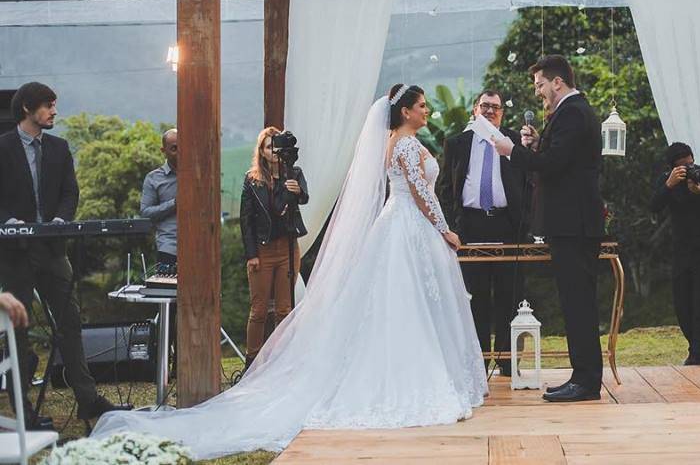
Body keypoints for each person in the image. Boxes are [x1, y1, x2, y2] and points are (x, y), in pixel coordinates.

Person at [92, 85, 487, 459]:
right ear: (405, 111)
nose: (426, 111)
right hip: (408, 226)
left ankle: (409, 369)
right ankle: (409, 380)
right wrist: (445, 230)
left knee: (398, 304)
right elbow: (422, 194)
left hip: (398, 225)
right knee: (404, 302)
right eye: (421, 106)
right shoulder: (404, 145)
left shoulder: (392, 144)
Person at [0, 82, 129, 427]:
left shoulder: (59, 148)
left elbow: (70, 191)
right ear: (27, 108)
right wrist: (9, 222)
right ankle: (24, 412)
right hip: (15, 252)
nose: (54, 111)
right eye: (47, 105)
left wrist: (60, 221)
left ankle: (88, 399)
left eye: (54, 105)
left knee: (70, 322)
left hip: (53, 248)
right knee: (19, 327)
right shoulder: (3, 147)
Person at [493, 55, 605, 403]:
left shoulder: (572, 112)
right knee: (575, 304)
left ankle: (586, 382)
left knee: (579, 304)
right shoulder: (573, 112)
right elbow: (559, 158)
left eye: (540, 84)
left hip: (573, 224)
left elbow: (554, 165)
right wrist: (538, 143)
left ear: (558, 82)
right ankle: (581, 376)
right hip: (572, 223)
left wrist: (513, 151)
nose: (538, 92)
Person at [437, 89, 527, 376]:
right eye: (485, 106)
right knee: (474, 297)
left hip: (507, 224)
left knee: (508, 295)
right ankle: (476, 362)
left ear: (502, 113)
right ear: (474, 110)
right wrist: (454, 226)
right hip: (471, 226)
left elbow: (530, 181)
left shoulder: (513, 141)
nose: (490, 111)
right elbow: (444, 189)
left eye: (496, 107)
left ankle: (507, 360)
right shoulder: (457, 143)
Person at [650, 142, 700, 366]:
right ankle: (694, 346)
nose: (689, 169)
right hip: (681, 249)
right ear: (673, 167)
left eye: (691, 163)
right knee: (682, 303)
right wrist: (669, 185)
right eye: (683, 167)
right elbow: (654, 206)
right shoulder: (668, 182)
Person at [240, 127, 310, 368]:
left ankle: (282, 360)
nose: (273, 151)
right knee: (259, 309)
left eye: (276, 146)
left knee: (284, 308)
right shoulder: (252, 179)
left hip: (288, 248)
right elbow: (246, 219)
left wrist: (297, 189)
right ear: (261, 151)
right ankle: (252, 360)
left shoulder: (294, 172)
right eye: (268, 147)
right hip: (262, 250)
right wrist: (251, 255)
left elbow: (304, 198)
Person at [140, 128, 178, 266]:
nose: (180, 152)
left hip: (197, 247)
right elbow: (145, 213)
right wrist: (174, 204)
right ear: (164, 151)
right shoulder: (153, 178)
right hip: (169, 248)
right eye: (174, 148)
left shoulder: (196, 175)